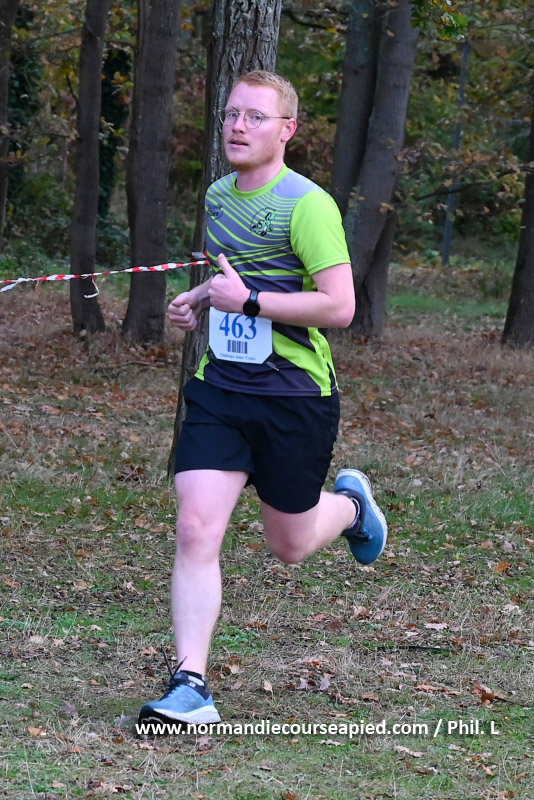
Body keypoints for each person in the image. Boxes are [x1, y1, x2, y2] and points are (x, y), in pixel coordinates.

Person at [138, 71, 387, 728]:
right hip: (221, 388)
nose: (238, 126)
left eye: (255, 116)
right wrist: (200, 298)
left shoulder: (308, 205)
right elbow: (236, 278)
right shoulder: (219, 196)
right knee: (196, 526)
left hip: (294, 395)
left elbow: (339, 306)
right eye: (231, 114)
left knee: (291, 545)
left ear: (287, 130)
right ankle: (190, 683)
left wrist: (246, 302)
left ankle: (351, 508)